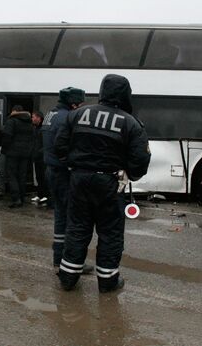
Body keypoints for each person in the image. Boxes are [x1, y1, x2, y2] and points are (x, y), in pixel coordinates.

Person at [55, 75, 151, 293]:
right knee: (110, 232)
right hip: (110, 182)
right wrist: (130, 175)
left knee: (77, 227)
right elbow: (140, 160)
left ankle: (68, 278)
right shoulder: (130, 122)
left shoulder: (77, 114)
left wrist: (73, 165)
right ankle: (107, 282)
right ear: (126, 94)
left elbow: (59, 146)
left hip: (79, 179)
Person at [42, 87, 86, 270]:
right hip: (64, 173)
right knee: (73, 219)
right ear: (73, 103)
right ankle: (71, 263)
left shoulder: (51, 114)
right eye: (80, 104)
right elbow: (64, 145)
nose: (81, 107)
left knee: (60, 217)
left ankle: (58, 258)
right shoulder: (66, 117)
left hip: (51, 171)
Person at [1, 105, 34, 208]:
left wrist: (4, 149)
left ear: (13, 112)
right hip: (25, 154)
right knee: (22, 176)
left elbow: (7, 136)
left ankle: (16, 199)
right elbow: (32, 138)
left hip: (12, 153)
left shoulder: (11, 121)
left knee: (12, 175)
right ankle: (22, 198)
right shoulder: (29, 122)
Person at [30, 111, 49, 207]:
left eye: (33, 117)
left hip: (42, 157)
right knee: (38, 177)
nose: (32, 119)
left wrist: (38, 152)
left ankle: (45, 195)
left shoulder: (42, 129)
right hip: (37, 156)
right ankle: (40, 194)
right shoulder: (35, 129)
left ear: (39, 118)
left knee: (43, 177)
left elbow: (44, 144)